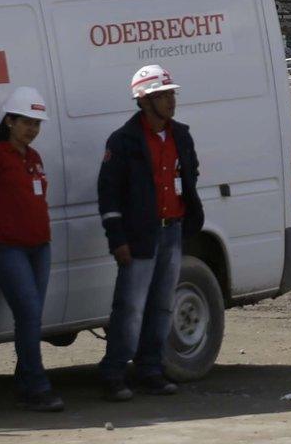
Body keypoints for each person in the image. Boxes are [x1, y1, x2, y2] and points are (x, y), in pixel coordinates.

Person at [97, 64, 204, 401]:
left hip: (171, 232)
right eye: (163, 95)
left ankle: (150, 369)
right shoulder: (124, 141)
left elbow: (191, 172)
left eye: (171, 94)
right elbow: (108, 194)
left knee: (161, 306)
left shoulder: (180, 136)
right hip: (139, 238)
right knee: (129, 308)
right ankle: (114, 373)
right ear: (143, 101)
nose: (171, 101)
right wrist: (118, 240)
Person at [0, 86, 62, 412]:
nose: (32, 129)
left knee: (32, 317)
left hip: (38, 248)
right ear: (9, 121)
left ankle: (25, 381)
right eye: (26, 122)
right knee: (29, 315)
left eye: (37, 124)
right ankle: (36, 386)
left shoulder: (33, 157)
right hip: (6, 249)